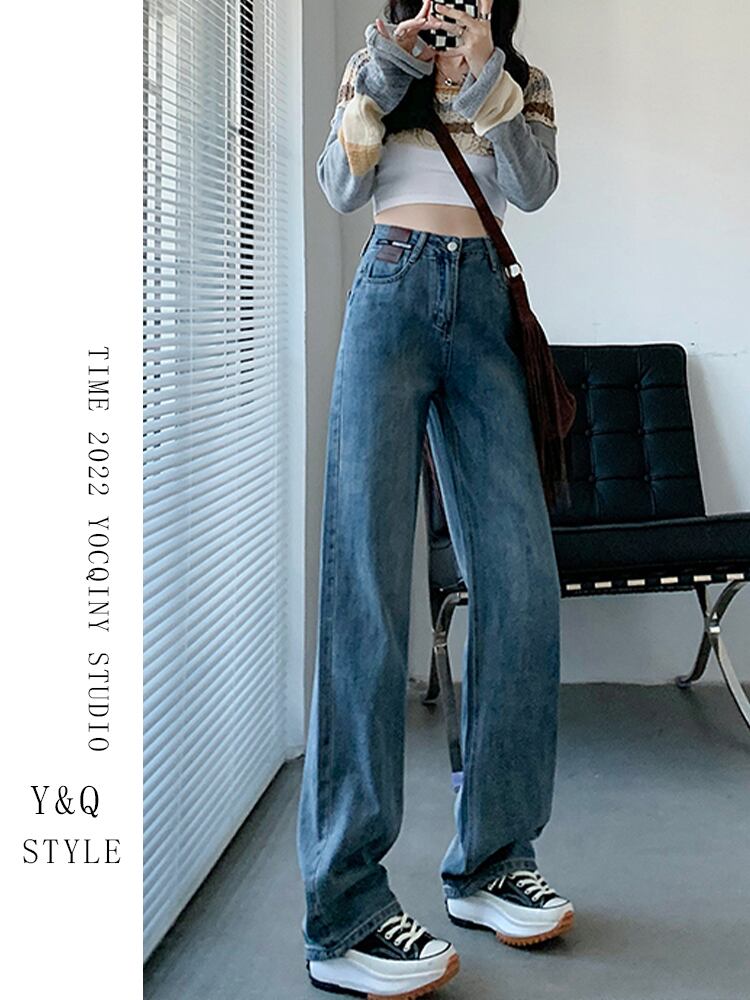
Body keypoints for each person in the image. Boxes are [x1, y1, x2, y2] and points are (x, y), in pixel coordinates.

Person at [297, 2, 574, 996]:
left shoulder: (521, 80)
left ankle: (493, 862)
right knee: (366, 594)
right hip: (392, 291)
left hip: (484, 308)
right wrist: (385, 71)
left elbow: (533, 188)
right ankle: (344, 910)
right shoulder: (376, 67)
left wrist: (485, 73)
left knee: (524, 585)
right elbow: (339, 186)